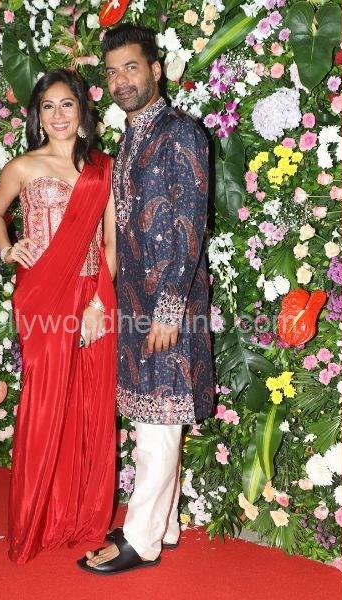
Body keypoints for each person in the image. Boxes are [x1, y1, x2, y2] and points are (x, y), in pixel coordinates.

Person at [78, 24, 215, 575]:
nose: (121, 81)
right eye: (112, 72)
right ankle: (165, 524)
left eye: (131, 67)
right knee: (153, 417)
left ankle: (141, 538)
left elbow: (189, 224)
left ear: (156, 70)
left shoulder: (182, 133)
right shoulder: (130, 138)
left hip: (167, 303)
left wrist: (169, 309)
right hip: (135, 301)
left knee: (158, 424)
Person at [0, 68, 118, 565]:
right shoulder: (23, 166)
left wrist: (98, 304)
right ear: (37, 116)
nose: (58, 115)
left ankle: (78, 516)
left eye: (67, 104)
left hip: (92, 295)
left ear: (82, 112)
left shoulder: (103, 169)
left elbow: (111, 242)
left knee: (88, 404)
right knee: (44, 403)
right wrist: (7, 248)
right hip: (41, 294)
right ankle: (35, 519)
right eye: (48, 106)